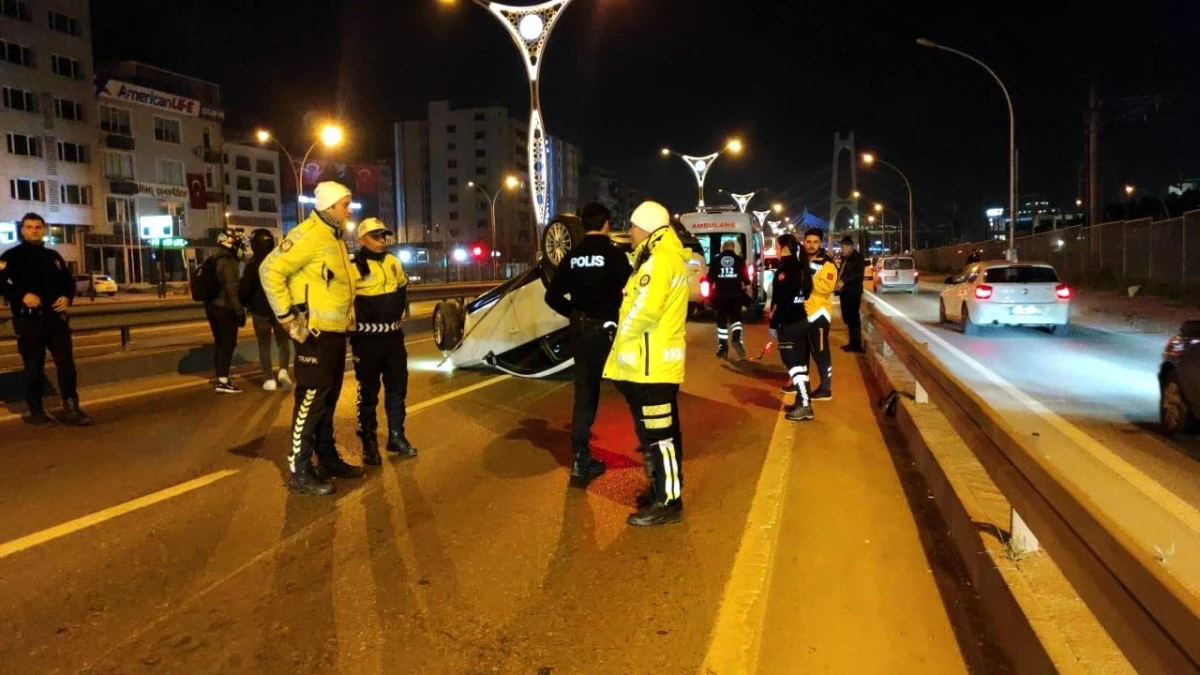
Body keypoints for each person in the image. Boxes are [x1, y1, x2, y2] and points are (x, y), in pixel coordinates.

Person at [260, 181, 363, 496]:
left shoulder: (333, 237)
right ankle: (299, 469)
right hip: (313, 333)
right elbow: (270, 270)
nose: (349, 210)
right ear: (330, 206)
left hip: (332, 333)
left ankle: (327, 456)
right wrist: (287, 317)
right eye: (345, 204)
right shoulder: (308, 234)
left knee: (328, 399)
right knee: (311, 399)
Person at [603, 201, 690, 527]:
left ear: (647, 227)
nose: (632, 233)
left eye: (635, 227)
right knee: (662, 435)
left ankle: (669, 501)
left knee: (660, 437)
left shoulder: (659, 262)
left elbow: (644, 311)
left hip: (651, 365)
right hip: (654, 364)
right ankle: (662, 490)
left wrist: (619, 336)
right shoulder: (665, 257)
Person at [544, 202, 633, 488]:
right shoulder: (615, 255)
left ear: (583, 225)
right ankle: (652, 453)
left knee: (584, 397)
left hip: (582, 334)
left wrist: (574, 313)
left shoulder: (572, 257)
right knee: (634, 389)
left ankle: (580, 462)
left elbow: (552, 296)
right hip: (611, 334)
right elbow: (632, 288)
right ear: (606, 224)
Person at [0, 212, 92, 426]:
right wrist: (22, 296)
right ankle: (36, 411)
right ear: (22, 230)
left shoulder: (53, 256)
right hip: (29, 322)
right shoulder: (10, 257)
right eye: (29, 227)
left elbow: (68, 282)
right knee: (34, 367)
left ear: (44, 230)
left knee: (67, 366)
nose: (34, 230)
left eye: (38, 227)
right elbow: (1, 283)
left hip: (56, 321)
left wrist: (66, 298)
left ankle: (71, 407)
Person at [350, 217, 418, 466]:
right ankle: (368, 442)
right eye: (375, 236)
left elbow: (401, 287)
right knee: (368, 392)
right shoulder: (352, 266)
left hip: (393, 338)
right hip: (367, 340)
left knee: (398, 388)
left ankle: (396, 436)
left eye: (383, 236)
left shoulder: (393, 262)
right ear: (361, 239)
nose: (381, 240)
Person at [240, 228, 292, 391]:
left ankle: (269, 379)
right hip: (280, 309)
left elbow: (244, 289)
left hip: (259, 311)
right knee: (283, 342)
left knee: (264, 344)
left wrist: (245, 303)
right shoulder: (280, 261)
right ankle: (283, 369)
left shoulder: (253, 265)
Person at [769, 233, 814, 421]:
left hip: (788, 323)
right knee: (800, 365)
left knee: (793, 365)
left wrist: (773, 324)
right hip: (801, 320)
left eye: (777, 248)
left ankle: (805, 406)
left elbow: (782, 302)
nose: (776, 251)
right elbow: (806, 295)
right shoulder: (801, 267)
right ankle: (802, 401)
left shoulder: (784, 271)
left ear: (782, 248)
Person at [205, 229, 247, 394]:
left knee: (220, 343)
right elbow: (232, 288)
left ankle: (220, 377)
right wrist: (239, 310)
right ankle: (223, 380)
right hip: (225, 308)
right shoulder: (229, 262)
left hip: (212, 307)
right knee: (228, 343)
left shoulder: (214, 259)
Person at [802, 229, 838, 400]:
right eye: (808, 242)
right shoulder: (801, 259)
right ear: (804, 242)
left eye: (815, 242)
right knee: (801, 352)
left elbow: (827, 287)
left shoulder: (828, 263)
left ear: (820, 243)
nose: (811, 245)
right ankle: (801, 385)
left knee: (821, 352)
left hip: (819, 315)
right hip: (802, 313)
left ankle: (825, 388)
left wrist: (807, 276)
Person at [706, 239, 751, 358]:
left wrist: (707, 297)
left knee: (721, 323)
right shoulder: (740, 261)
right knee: (736, 319)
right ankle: (736, 338)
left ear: (722, 248)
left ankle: (723, 349)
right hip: (736, 296)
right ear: (733, 248)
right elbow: (746, 281)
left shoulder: (715, 260)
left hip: (720, 296)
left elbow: (709, 280)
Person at [837, 235, 866, 353]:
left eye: (843, 247)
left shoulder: (857, 258)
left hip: (853, 292)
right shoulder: (845, 258)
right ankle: (852, 343)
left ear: (850, 247)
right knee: (848, 318)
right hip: (845, 292)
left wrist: (844, 281)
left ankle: (856, 345)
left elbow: (858, 275)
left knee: (853, 319)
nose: (841, 249)